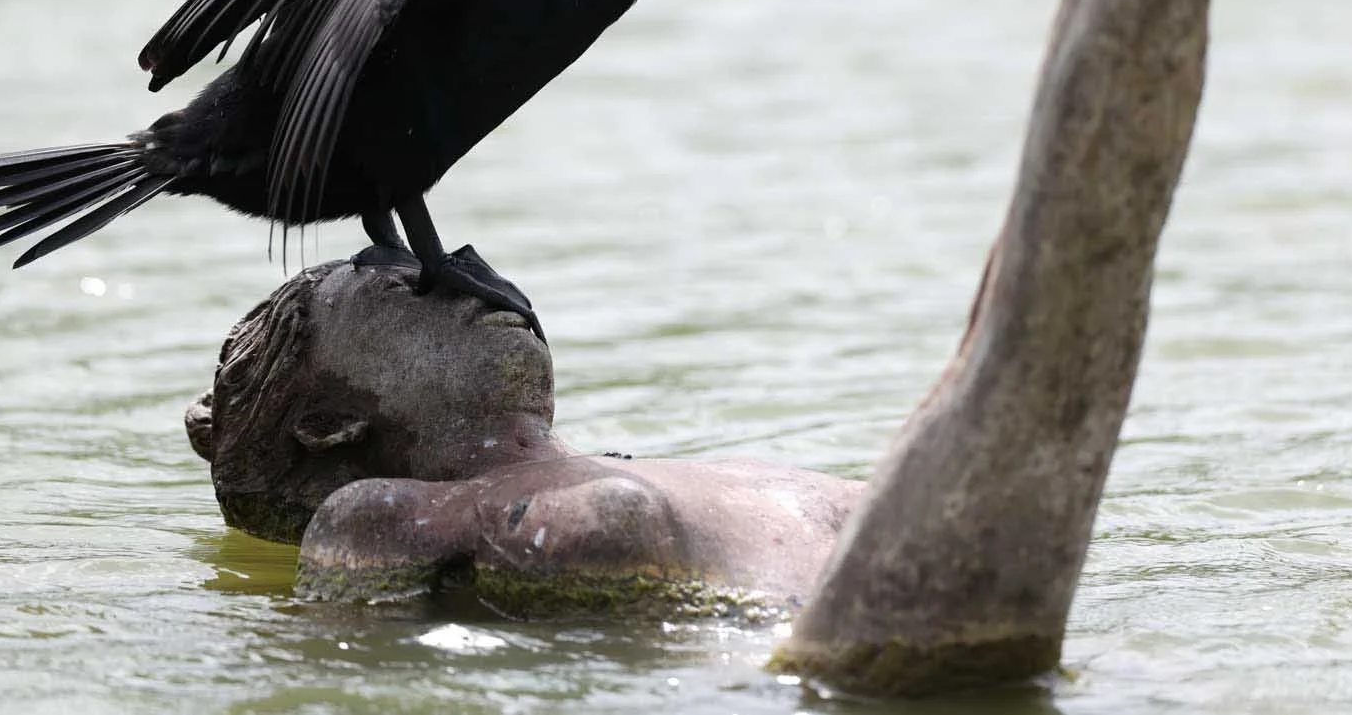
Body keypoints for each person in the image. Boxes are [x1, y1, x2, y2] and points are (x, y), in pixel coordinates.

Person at [185, 250, 862, 613]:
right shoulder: (381, 521)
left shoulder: (629, 466)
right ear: (328, 424)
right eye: (404, 289)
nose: (464, 275)